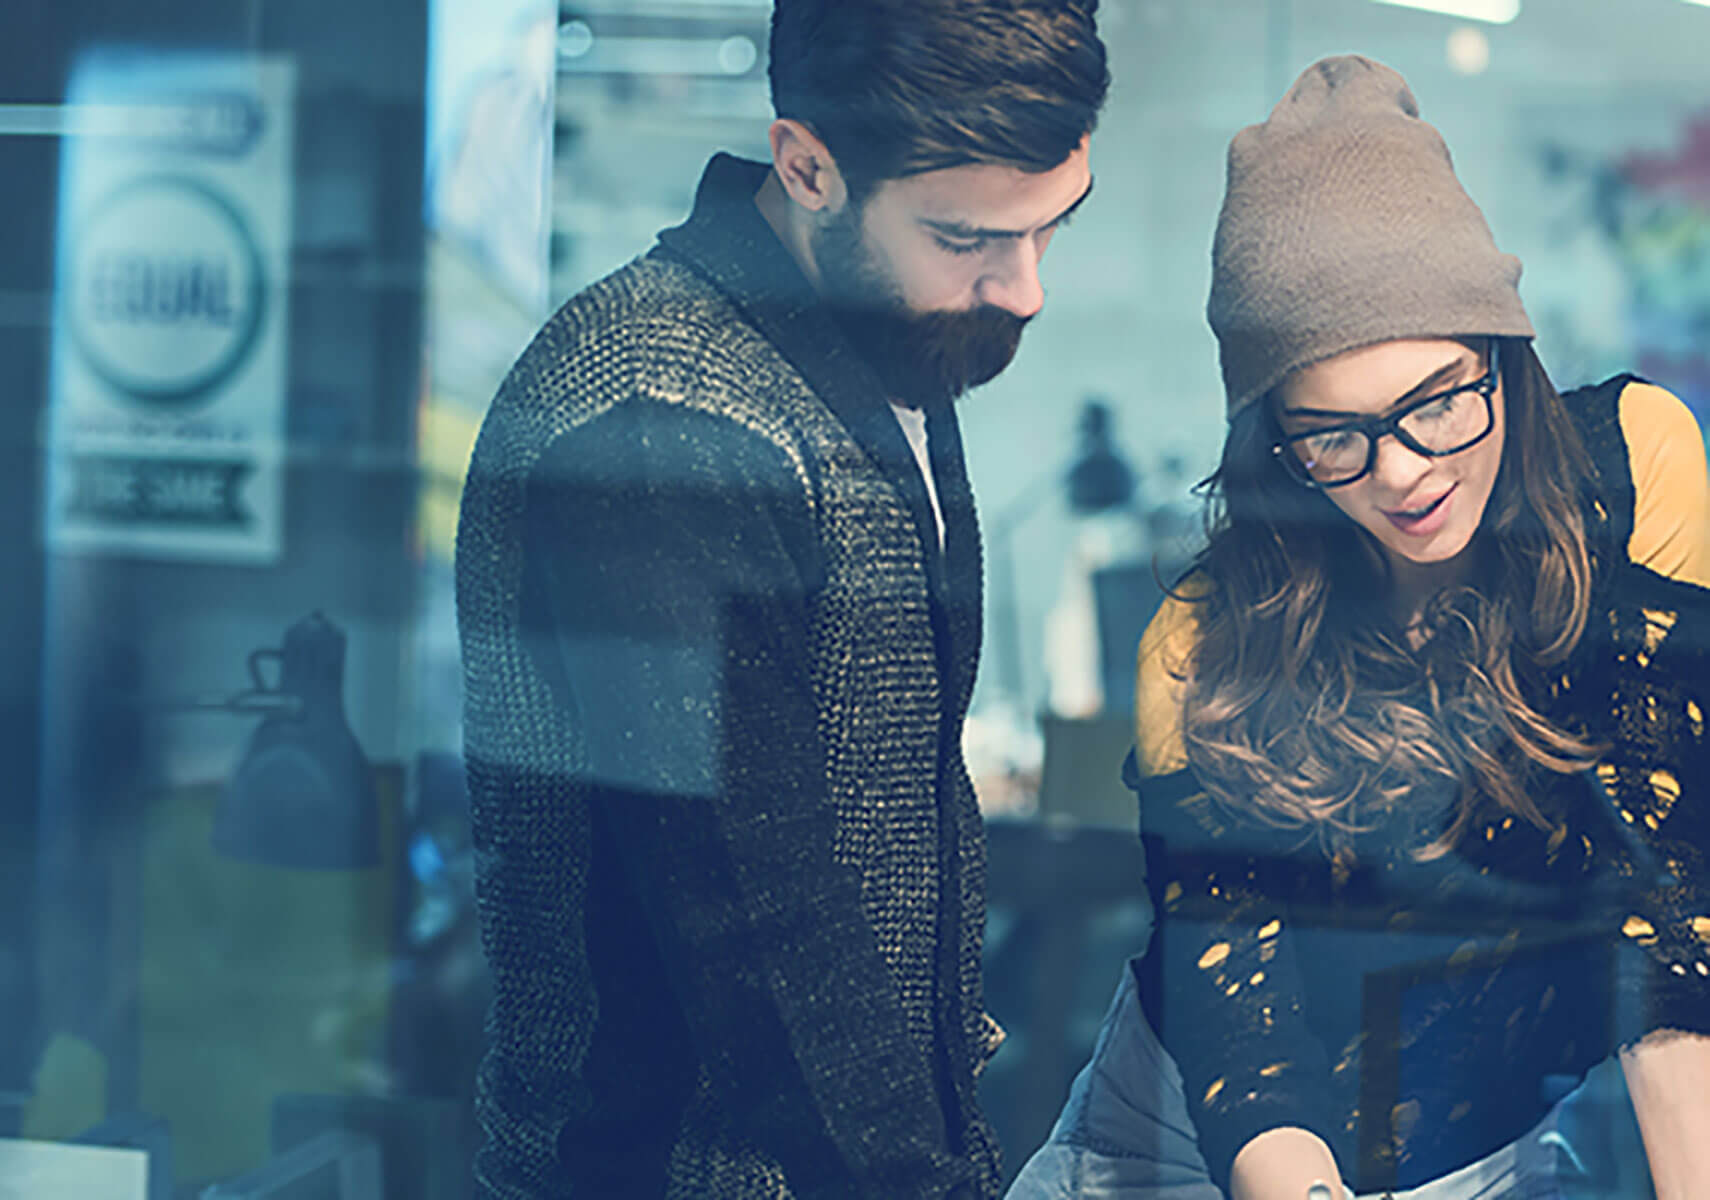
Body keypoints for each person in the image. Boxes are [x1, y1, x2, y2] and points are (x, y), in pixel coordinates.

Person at [1009, 56, 1710, 1200]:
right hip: (1196, 1153)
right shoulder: (1202, 649)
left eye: (1440, 399)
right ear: (1272, 444)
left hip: (1488, 1144)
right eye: (1335, 435)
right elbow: (1252, 1046)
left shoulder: (1632, 476)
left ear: (1506, 358)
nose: (1406, 473)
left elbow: (1666, 908)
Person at [454, 2, 1109, 1196]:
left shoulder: (877, 337)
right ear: (807, 166)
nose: (1025, 290)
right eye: (971, 238)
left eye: (1054, 226)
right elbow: (757, 920)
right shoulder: (657, 416)